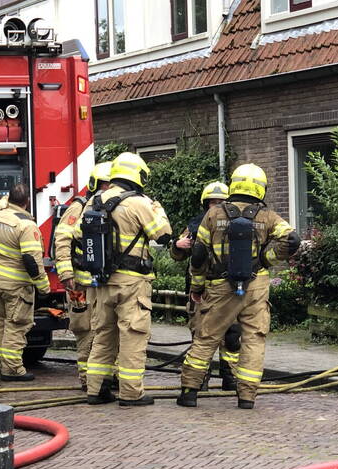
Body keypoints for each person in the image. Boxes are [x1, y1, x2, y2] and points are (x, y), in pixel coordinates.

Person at [180, 163, 301, 409]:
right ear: (261, 189)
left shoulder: (213, 214)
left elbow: (200, 253)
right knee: (254, 339)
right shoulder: (267, 216)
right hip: (256, 286)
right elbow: (292, 239)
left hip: (219, 286)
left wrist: (197, 287)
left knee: (206, 338)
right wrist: (266, 259)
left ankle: (189, 392)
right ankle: (246, 397)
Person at [80, 152, 172, 406]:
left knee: (103, 336)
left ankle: (95, 390)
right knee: (133, 335)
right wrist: (159, 210)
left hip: (102, 281)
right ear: (138, 175)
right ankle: (131, 393)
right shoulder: (139, 203)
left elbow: (80, 234)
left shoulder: (94, 201)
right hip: (132, 282)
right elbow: (162, 235)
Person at [171, 181, 240, 395]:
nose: (217, 206)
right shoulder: (194, 225)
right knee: (201, 334)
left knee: (232, 333)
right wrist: (177, 245)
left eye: (221, 202)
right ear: (206, 204)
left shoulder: (239, 224)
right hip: (200, 289)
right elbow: (178, 256)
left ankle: (231, 378)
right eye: (213, 202)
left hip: (227, 287)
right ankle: (200, 380)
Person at [0, 183, 50, 381]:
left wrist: (6, 201)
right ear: (27, 202)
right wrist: (43, 286)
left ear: (8, 199)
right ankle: (13, 370)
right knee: (16, 325)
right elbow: (31, 261)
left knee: (1, 326)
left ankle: (5, 367)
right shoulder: (27, 226)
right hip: (16, 285)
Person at [53, 162, 112, 389]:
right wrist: (66, 272)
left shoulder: (113, 206)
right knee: (85, 330)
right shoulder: (79, 207)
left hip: (104, 284)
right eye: (105, 185)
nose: (109, 189)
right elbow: (62, 239)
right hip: (80, 283)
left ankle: (107, 377)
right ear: (95, 184)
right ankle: (88, 379)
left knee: (106, 329)